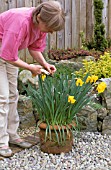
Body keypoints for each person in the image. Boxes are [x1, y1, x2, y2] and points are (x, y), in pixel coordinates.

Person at [0, 1, 65, 157]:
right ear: (40, 17)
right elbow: (6, 55)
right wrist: (30, 67)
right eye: (49, 28)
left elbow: (34, 48)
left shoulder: (40, 25)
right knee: (2, 97)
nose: (50, 32)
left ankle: (12, 135)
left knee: (13, 95)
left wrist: (44, 64)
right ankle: (1, 142)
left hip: (10, 54)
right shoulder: (20, 21)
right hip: (5, 52)